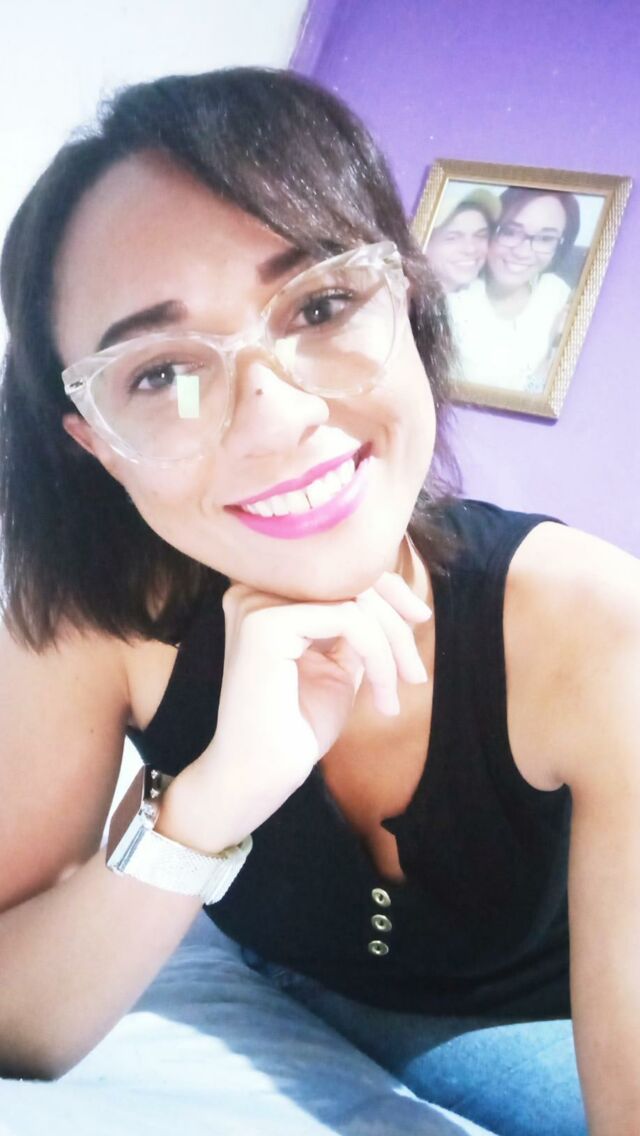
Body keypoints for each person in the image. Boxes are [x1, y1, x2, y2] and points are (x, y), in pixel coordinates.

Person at [0, 68, 639, 1136]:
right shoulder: (92, 619)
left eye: (322, 304)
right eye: (158, 373)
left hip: (536, 1025)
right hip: (280, 983)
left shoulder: (599, 628)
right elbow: (19, 1021)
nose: (273, 418)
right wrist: (214, 797)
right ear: (97, 446)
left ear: (409, 304)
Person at [448, 187, 580, 391]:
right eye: (510, 232)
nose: (522, 252)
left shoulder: (558, 297)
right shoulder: (452, 300)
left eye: (545, 239)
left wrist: (555, 350)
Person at [425, 190, 498, 294]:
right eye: (452, 238)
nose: (470, 249)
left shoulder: (489, 297)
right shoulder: (404, 298)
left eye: (480, 236)